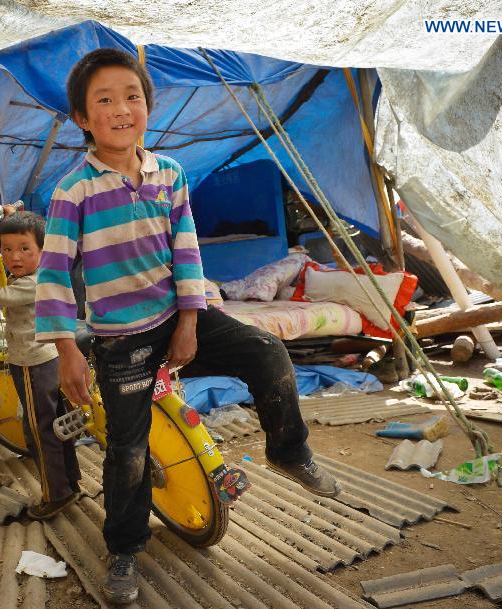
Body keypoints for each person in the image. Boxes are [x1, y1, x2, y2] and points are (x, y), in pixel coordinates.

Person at [35, 48, 340, 605]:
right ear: (83, 118)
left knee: (268, 352)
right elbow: (53, 276)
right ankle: (124, 548)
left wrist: (192, 322)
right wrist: (68, 351)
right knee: (128, 450)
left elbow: (187, 252)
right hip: (120, 340)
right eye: (104, 100)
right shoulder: (72, 190)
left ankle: (288, 449)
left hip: (177, 318)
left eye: (132, 96)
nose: (121, 109)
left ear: (147, 107)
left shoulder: (169, 173)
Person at [0, 209, 81, 520]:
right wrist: (13, 213)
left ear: (43, 250)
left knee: (41, 431)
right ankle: (69, 483)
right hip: (43, 362)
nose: (14, 257)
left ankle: (56, 495)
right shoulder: (34, 275)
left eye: (24, 249)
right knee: (56, 426)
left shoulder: (31, 283)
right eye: (7, 249)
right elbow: (4, 280)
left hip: (34, 366)